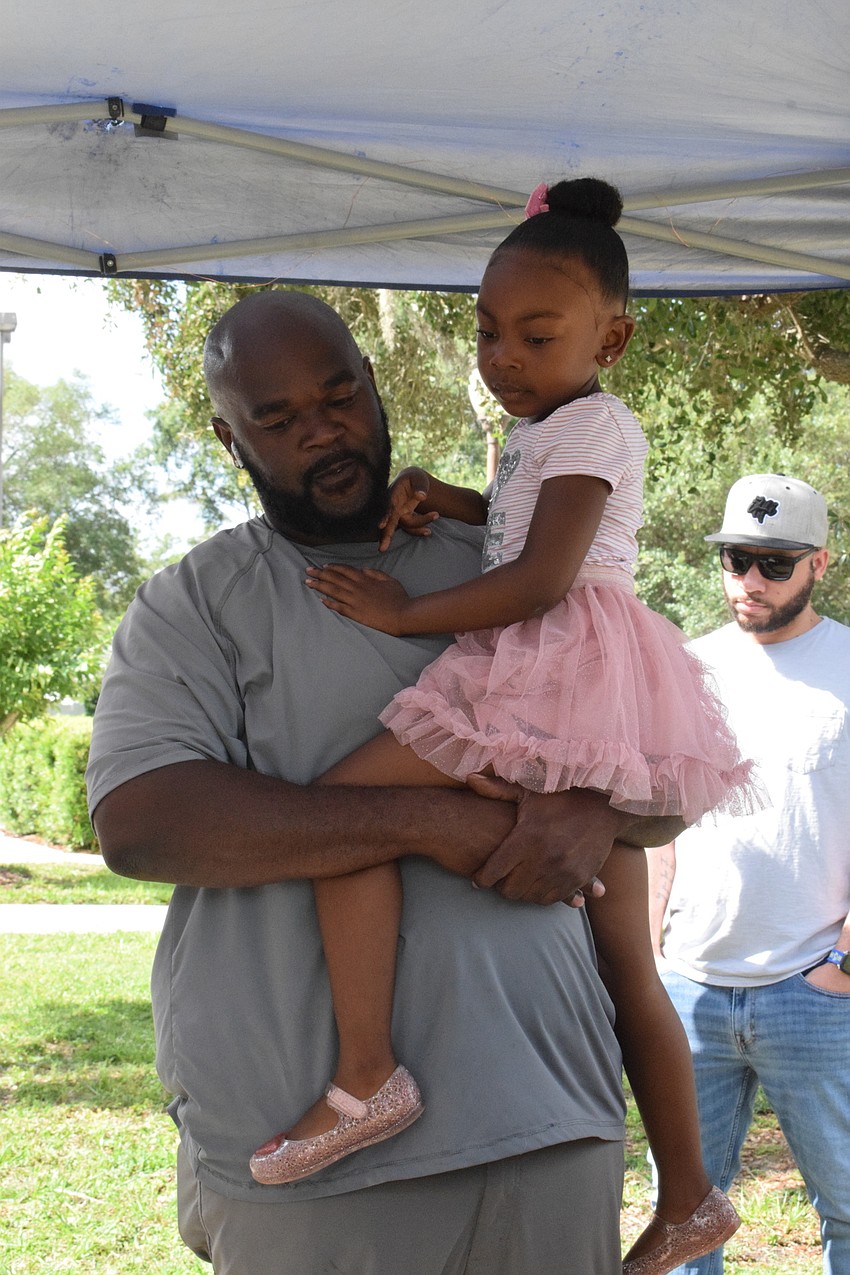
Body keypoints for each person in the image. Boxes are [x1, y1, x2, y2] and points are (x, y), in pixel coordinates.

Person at [87, 286, 651, 1275]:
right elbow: (144, 821)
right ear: (231, 439)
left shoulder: (517, 568)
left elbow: (667, 767)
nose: (325, 430)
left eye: (340, 394)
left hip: (548, 1125)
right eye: (279, 418)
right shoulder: (197, 601)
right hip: (315, 1165)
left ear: (375, 386)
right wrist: (425, 822)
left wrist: (594, 808)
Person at [254, 178, 749, 1274]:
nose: (501, 356)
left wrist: (407, 611)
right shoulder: (551, 429)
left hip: (553, 665)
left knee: (336, 814)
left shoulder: (595, 423)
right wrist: (456, 493)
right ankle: (692, 1195)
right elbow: (532, 515)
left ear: (610, 337)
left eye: (536, 334)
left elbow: (541, 576)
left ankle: (369, 1072)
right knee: (627, 965)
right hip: (592, 677)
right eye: (485, 331)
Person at [648, 473, 850, 1275]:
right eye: (735, 559)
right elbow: (656, 825)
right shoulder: (685, 670)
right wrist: (648, 954)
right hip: (687, 990)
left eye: (773, 563)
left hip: (815, 986)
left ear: (820, 563)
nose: (750, 581)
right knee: (684, 1219)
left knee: (847, 1209)